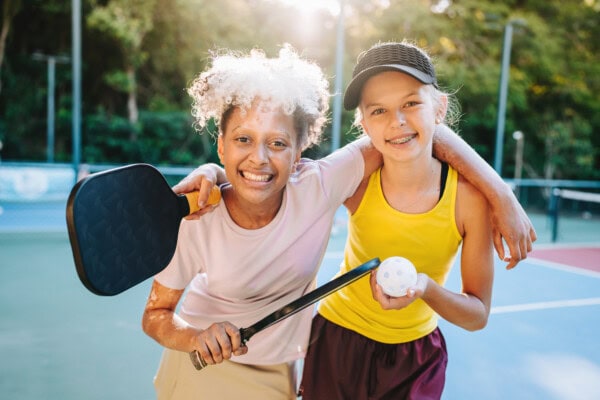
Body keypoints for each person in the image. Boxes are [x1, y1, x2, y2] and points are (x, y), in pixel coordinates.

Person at [143, 44, 535, 399]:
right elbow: (155, 315)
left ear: (299, 152)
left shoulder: (322, 184)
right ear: (222, 144)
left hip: (281, 371)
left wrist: (499, 193)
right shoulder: (199, 215)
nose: (260, 158)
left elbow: (412, 132)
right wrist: (196, 337)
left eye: (278, 143)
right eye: (243, 140)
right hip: (208, 370)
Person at [299, 41, 498, 399]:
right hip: (336, 340)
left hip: (416, 359)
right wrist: (211, 174)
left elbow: (478, 314)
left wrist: (426, 288)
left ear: (439, 108)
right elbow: (281, 184)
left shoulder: (469, 201)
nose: (397, 122)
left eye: (411, 103)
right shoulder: (358, 181)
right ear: (363, 125)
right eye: (378, 111)